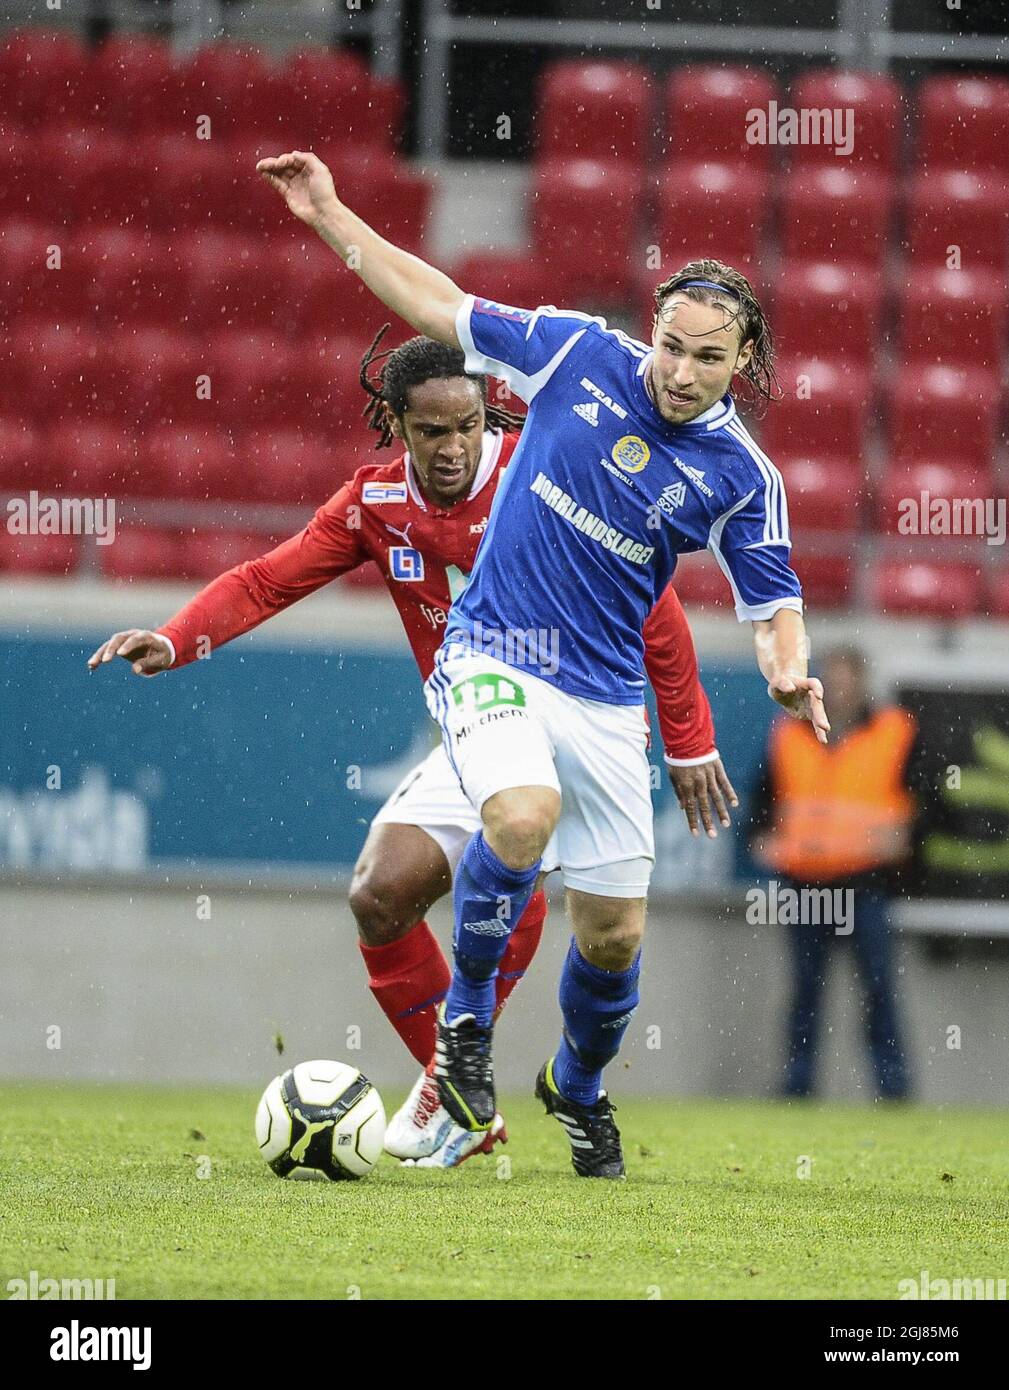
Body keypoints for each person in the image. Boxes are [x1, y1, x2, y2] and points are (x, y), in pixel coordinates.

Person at [252, 148, 829, 1178]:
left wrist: (789, 668)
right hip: (496, 652)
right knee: (518, 818)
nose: (679, 371)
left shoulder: (742, 475)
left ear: (740, 362)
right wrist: (331, 215)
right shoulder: (573, 354)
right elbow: (436, 301)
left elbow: (772, 601)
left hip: (606, 701)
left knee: (609, 941)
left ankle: (577, 1084)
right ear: (650, 331)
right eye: (670, 345)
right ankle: (463, 1042)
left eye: (706, 358)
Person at [87, 329, 737, 1167]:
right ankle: (458, 1089)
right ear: (396, 423)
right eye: (432, 430)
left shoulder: (543, 474)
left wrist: (688, 740)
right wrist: (177, 638)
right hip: (482, 718)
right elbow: (264, 579)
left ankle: (551, 1084)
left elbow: (658, 614)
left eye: (467, 425)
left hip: (581, 716)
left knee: (599, 933)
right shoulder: (373, 503)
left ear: (487, 414)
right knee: (379, 895)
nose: (453, 446)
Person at [749, 646, 916, 1100]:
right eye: (832, 679)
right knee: (805, 991)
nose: (839, 688)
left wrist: (906, 838)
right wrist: (760, 839)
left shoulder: (893, 731)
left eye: (847, 679)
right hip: (802, 883)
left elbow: (926, 801)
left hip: (867, 883)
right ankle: (797, 1087)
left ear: (863, 682)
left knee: (878, 989)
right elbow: (761, 801)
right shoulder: (788, 733)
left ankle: (894, 1088)